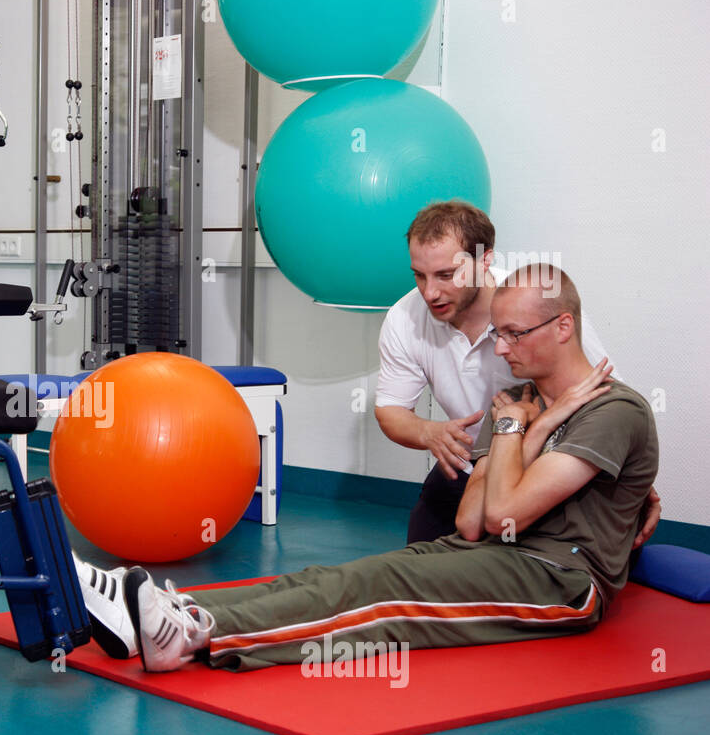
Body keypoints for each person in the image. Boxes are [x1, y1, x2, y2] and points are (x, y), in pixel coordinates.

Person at [74, 266, 659, 671]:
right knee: (335, 576)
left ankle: (193, 636)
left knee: (383, 596)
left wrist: (512, 434)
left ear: (563, 327)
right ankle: (174, 611)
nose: (499, 349)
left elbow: (503, 509)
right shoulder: (518, 400)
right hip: (489, 552)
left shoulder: (613, 409)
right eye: (497, 332)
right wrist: (522, 434)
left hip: (559, 583)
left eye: (513, 334)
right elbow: (476, 521)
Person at [373, 201, 640, 542]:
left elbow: (604, 395)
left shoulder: (538, 306)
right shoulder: (404, 318)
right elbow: (391, 410)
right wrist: (430, 433)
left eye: (445, 275)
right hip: (470, 468)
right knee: (414, 568)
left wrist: (633, 482)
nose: (430, 292)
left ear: (485, 259)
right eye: (419, 275)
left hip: (543, 471)